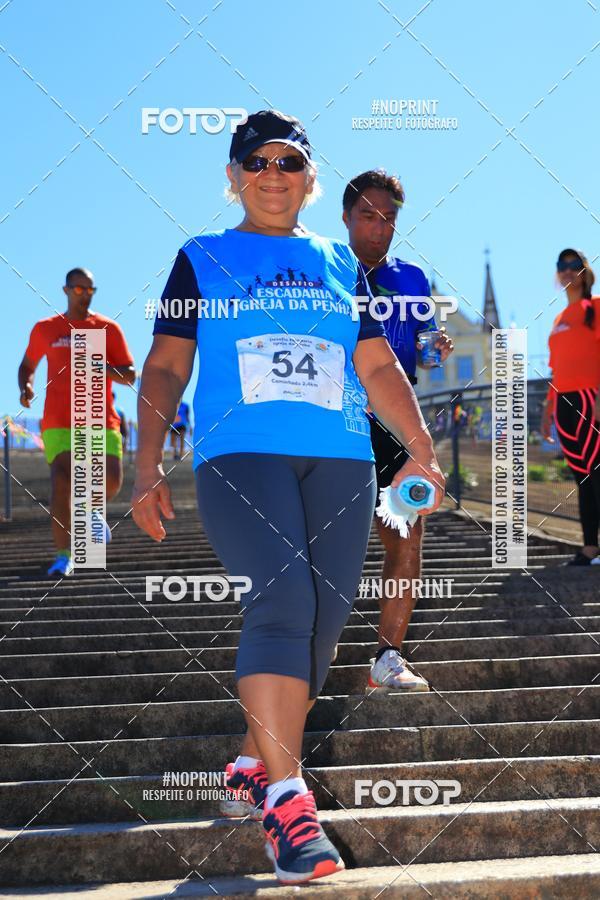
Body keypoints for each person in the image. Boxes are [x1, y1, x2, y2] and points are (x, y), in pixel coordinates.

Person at [131, 110, 444, 885]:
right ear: (235, 176)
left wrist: (423, 445)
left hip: (339, 460)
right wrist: (145, 465)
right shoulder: (200, 257)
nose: (273, 174)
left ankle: (248, 760)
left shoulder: (342, 262)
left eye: (289, 162)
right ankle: (285, 800)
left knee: (325, 620)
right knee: (281, 604)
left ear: (309, 178)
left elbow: (375, 367)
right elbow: (167, 366)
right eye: (257, 162)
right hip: (241, 455)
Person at [342, 169, 454, 694]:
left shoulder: (412, 279)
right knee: (320, 540)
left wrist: (437, 349)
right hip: (335, 415)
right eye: (368, 216)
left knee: (405, 535)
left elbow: (423, 356)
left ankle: (388, 657)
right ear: (345, 217)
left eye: (389, 218)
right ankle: (304, 650)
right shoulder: (325, 269)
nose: (379, 228)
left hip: (394, 418)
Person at [18, 267, 136, 577]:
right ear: (66, 290)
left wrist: (101, 367)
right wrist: (26, 387)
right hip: (58, 420)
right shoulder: (47, 328)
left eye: (90, 290)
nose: (85, 295)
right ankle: (64, 555)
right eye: (79, 289)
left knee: (111, 480)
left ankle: (89, 510)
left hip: (99, 418)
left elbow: (130, 373)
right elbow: (27, 365)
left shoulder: (107, 328)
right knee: (62, 478)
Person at [541, 248, 600, 565]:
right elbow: (556, 368)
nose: (566, 270)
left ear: (584, 271)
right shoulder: (559, 318)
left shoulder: (596, 308)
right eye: (561, 265)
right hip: (563, 404)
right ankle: (590, 547)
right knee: (582, 478)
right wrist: (548, 410)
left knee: (598, 472)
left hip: (591, 399)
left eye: (573, 265)